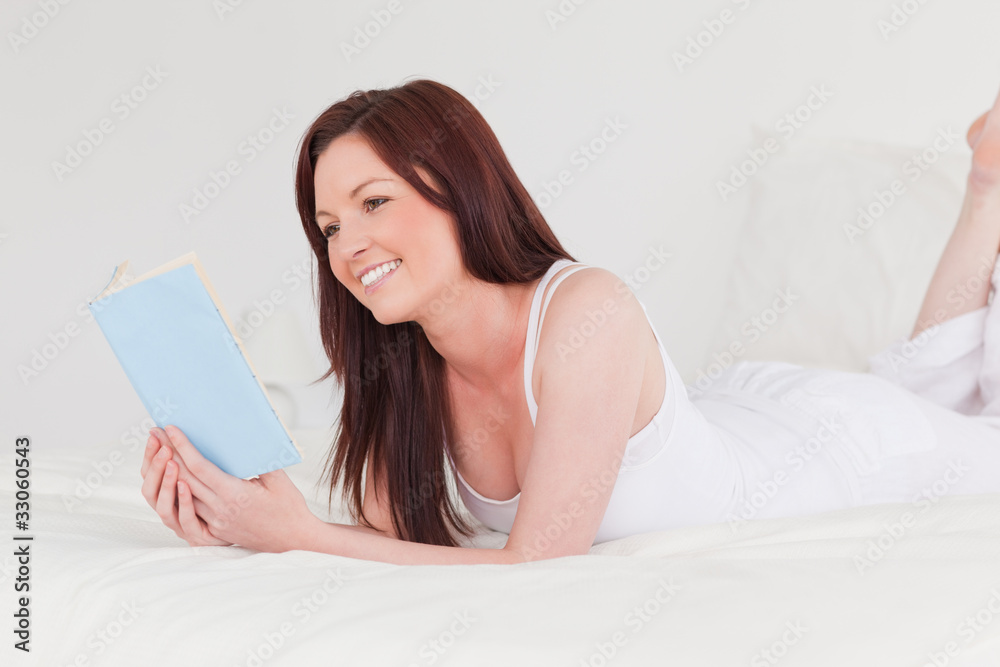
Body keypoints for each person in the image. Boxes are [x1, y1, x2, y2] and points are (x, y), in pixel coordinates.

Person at [139, 78, 1000, 565]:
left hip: (831, 449)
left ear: (458, 191)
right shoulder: (403, 380)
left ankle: (987, 186)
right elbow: (391, 551)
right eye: (329, 227)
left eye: (373, 202)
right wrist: (235, 512)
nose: (349, 245)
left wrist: (299, 537)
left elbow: (536, 568)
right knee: (928, 387)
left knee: (961, 420)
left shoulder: (589, 311)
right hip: (740, 415)